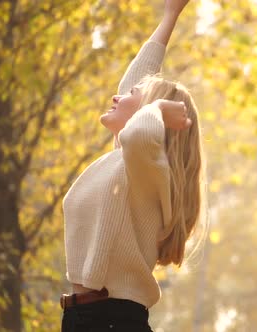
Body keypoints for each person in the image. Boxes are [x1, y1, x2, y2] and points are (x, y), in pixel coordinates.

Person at [60, 0, 204, 330]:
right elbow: (135, 85)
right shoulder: (126, 163)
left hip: (111, 319)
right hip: (88, 319)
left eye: (132, 95)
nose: (118, 96)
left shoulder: (147, 168)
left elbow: (140, 133)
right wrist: (170, 15)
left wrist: (159, 111)